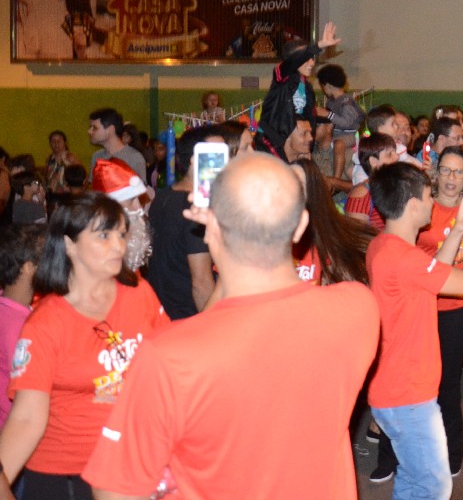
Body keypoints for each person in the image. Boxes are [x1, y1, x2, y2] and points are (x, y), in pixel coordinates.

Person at [81, 153, 379, 500]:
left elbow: (115, 489)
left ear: (211, 228)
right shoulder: (358, 308)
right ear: (300, 226)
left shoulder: (169, 357)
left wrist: (216, 235)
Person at [0, 195, 168, 499]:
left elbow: (171, 365)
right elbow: (27, 418)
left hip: (132, 465)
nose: (118, 245)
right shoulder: (45, 324)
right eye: (103, 235)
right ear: (68, 245)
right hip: (67, 476)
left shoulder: (139, 293)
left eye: (121, 233)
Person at [366, 162, 463, 500]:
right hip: (407, 394)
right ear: (414, 204)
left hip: (398, 386)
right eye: (429, 194)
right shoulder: (405, 259)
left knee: (413, 478)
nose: (435, 201)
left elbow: (433, 276)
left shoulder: (386, 246)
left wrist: (460, 229)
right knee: (432, 486)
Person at [415, 147, 463, 477]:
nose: (452, 178)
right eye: (446, 170)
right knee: (418, 381)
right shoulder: (422, 206)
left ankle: (452, 453)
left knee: (447, 385)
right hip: (423, 303)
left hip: (457, 308)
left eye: (459, 172)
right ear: (436, 172)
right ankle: (417, 448)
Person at [145, 128, 218, 320]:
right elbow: (201, 282)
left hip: (162, 311)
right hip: (187, 316)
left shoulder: (164, 196)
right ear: (196, 161)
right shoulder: (194, 207)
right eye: (217, 154)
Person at [257, 22, 340, 159]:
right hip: (271, 139)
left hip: (290, 140)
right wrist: (318, 46)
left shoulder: (306, 88)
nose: (312, 63)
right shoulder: (282, 77)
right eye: (306, 59)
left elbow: (307, 116)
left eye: (312, 59)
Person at [0, 226, 43, 430]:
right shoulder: (18, 328)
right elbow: (22, 391)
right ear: (27, 267)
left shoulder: (7, 308)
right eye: (42, 258)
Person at [344, 134, 398, 230]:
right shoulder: (361, 194)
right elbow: (356, 237)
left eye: (395, 152)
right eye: (390, 154)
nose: (397, 157)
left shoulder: (395, 186)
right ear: (374, 161)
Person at [87, 109, 146, 180]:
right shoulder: (96, 156)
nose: (89, 131)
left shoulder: (134, 158)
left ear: (110, 129)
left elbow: (140, 190)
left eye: (95, 128)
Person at [43, 132, 79, 196]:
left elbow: (83, 177)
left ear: (64, 143)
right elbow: (45, 178)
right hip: (52, 197)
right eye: (53, 141)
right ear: (50, 143)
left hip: (67, 196)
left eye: (59, 141)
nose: (56, 143)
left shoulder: (70, 157)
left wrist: (77, 194)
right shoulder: (49, 159)